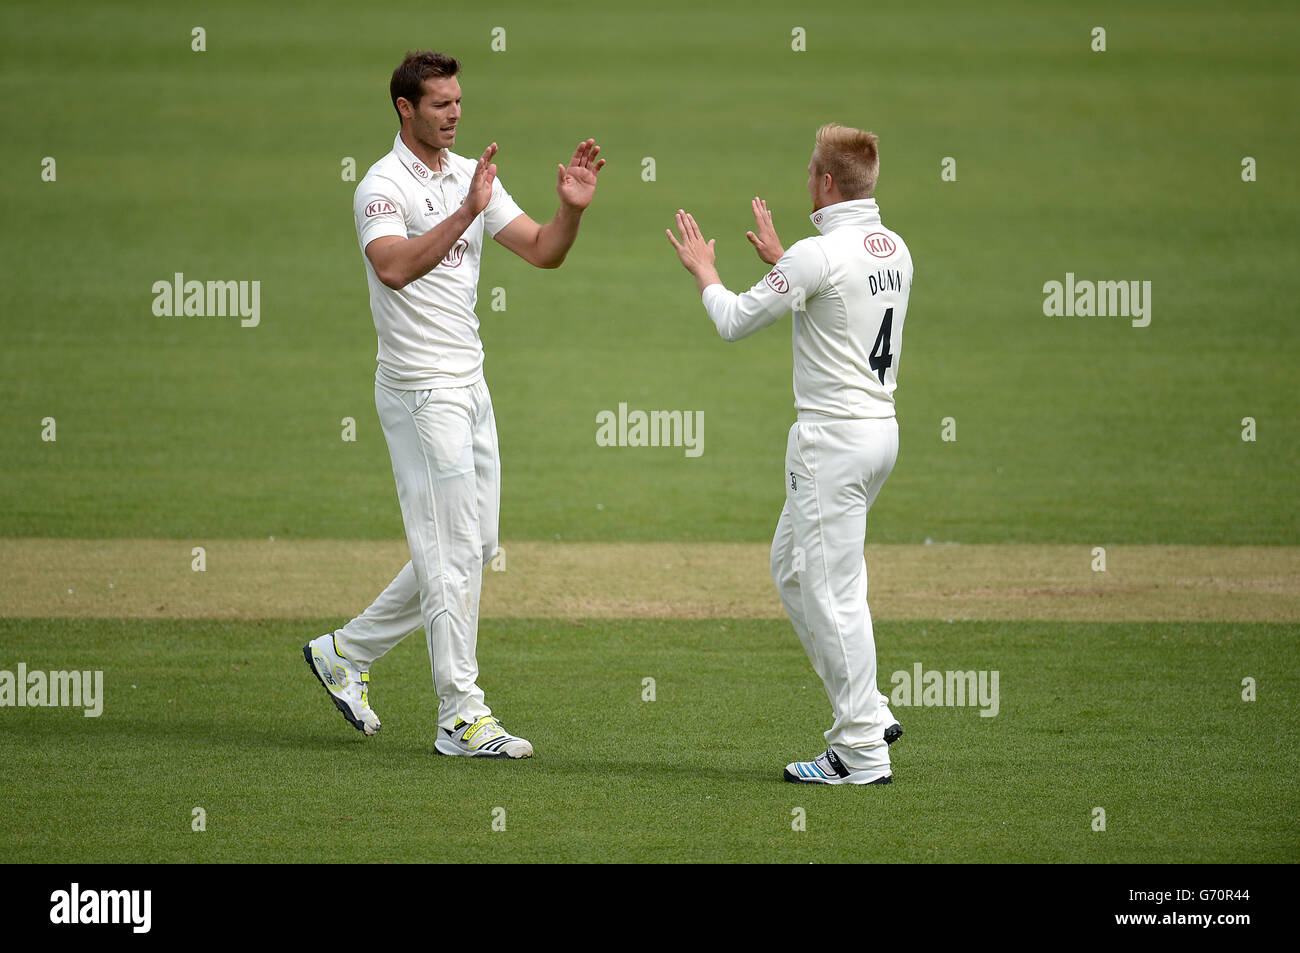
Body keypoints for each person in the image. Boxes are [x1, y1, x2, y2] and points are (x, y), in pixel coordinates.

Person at [304, 50, 604, 759]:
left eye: (459, 102)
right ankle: (459, 714)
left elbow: (540, 250)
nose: (455, 112)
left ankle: (345, 651)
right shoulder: (380, 187)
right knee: (448, 552)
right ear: (405, 109)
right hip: (417, 389)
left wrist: (569, 209)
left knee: (476, 545)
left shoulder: (472, 174)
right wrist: (466, 210)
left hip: (470, 383)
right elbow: (394, 266)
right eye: (441, 104)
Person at [666, 123, 911, 784]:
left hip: (829, 442)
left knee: (836, 592)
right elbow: (837, 307)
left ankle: (860, 747)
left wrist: (705, 272)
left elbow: (733, 320)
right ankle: (868, 706)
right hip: (878, 434)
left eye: (810, 172)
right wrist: (786, 262)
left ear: (827, 182)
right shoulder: (891, 248)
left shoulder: (817, 254)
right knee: (794, 568)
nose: (806, 179)